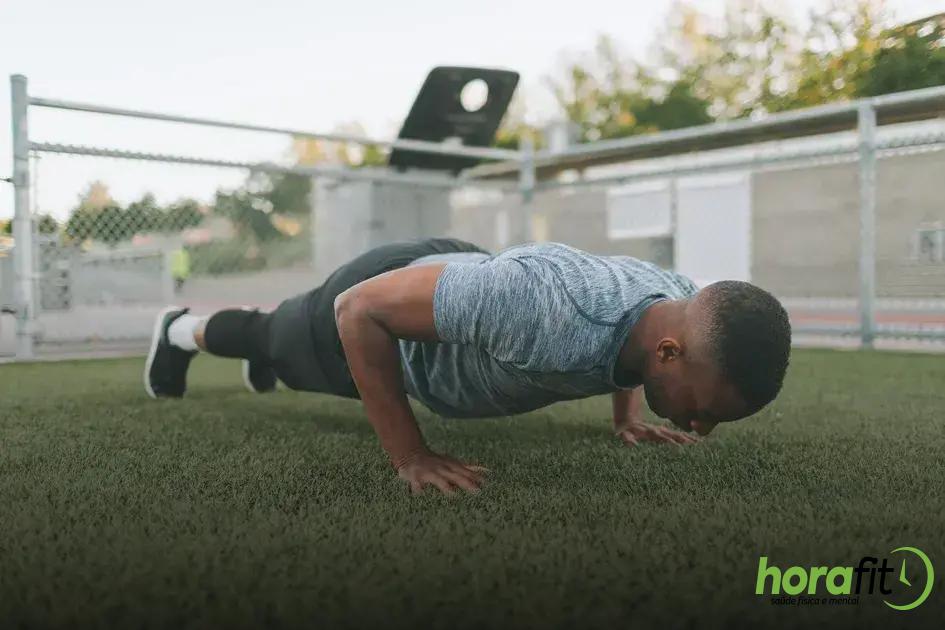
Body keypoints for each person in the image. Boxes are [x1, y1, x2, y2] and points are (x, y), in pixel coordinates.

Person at [145, 238, 791, 496]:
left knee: (282, 345)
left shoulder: (670, 300)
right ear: (671, 355)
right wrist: (410, 455)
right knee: (276, 335)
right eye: (702, 411)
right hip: (381, 305)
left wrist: (627, 415)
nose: (699, 427)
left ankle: (272, 344)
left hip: (465, 286)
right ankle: (178, 331)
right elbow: (357, 311)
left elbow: (631, 339)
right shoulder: (543, 311)